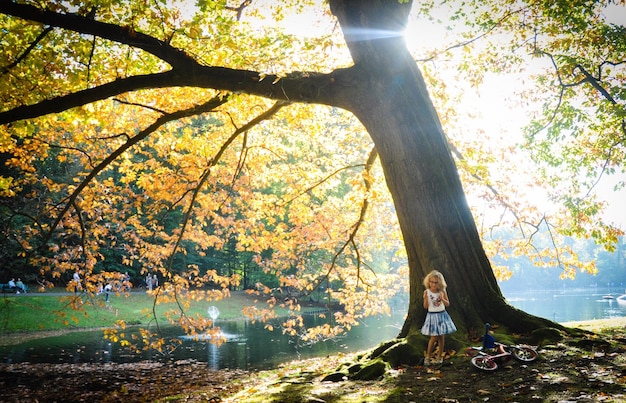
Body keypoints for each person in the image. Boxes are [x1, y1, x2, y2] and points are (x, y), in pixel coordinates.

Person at [421, 270, 457, 366]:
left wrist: (442, 298)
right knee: (433, 337)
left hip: (442, 314)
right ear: (428, 282)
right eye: (431, 282)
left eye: (436, 282)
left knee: (441, 336)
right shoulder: (427, 292)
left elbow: (447, 304)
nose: (433, 284)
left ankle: (439, 356)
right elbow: (425, 306)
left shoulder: (442, 291)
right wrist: (425, 298)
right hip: (432, 315)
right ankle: (428, 356)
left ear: (440, 283)